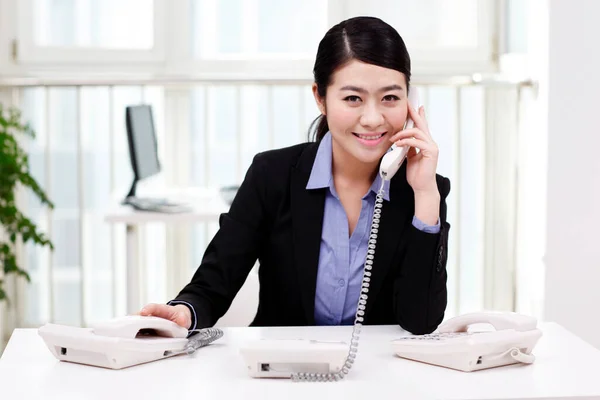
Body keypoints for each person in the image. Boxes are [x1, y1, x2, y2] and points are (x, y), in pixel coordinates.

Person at [140, 16, 451, 335]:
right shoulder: (271, 175)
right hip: (282, 372)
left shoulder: (423, 189)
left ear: (409, 102)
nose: (372, 118)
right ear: (321, 98)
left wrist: (425, 195)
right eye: (352, 98)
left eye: (390, 98)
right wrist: (184, 312)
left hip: (377, 376)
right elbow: (213, 284)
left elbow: (421, 320)